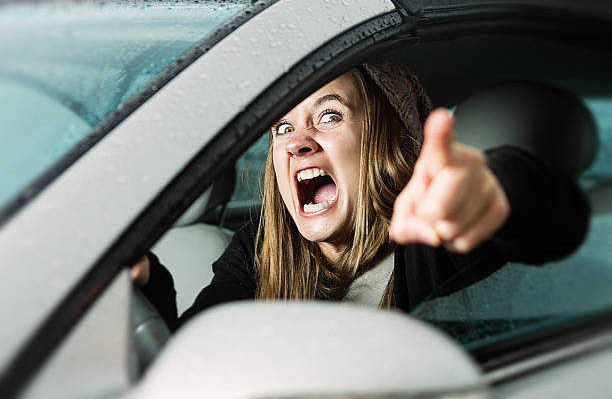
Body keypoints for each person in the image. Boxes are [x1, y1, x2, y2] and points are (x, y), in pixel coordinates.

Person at [135, 61, 589, 331]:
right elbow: (194, 358)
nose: (297, 142)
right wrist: (146, 285)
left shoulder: (435, 237)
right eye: (283, 127)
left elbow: (559, 219)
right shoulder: (261, 247)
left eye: (329, 116)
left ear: (385, 141)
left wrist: (495, 188)